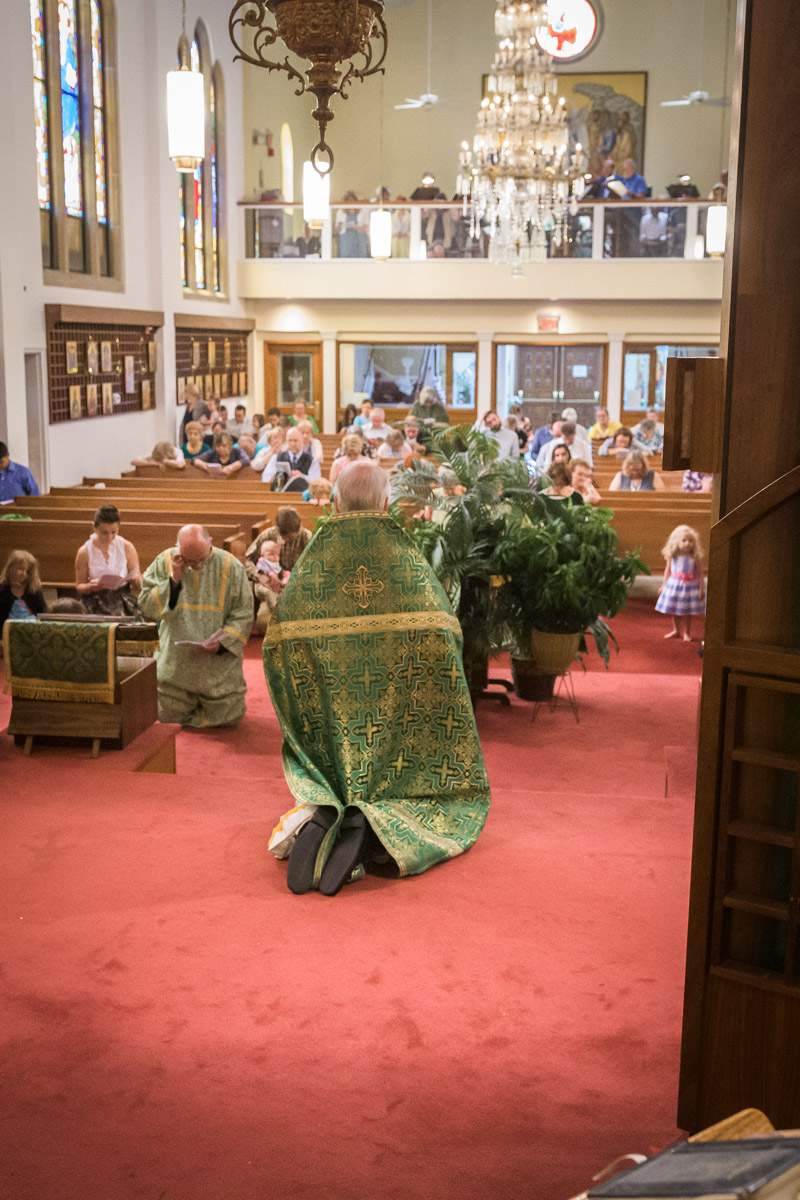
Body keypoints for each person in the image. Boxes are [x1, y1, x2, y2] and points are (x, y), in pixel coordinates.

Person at [263, 458, 491, 895]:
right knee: (404, 750)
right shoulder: (401, 553)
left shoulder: (318, 560)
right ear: (387, 501)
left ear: (334, 502)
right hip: (394, 706)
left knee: (333, 746)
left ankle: (330, 798)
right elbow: (444, 629)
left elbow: (278, 641)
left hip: (335, 706)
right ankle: (369, 813)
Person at [139, 524, 252, 727]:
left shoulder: (231, 566)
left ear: (210, 543)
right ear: (178, 549)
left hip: (217, 672)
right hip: (176, 668)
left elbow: (243, 613)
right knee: (163, 716)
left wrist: (223, 642)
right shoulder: (165, 561)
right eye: (191, 561)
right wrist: (174, 580)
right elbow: (146, 604)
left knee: (229, 716)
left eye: (202, 559)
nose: (198, 565)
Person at [75, 504, 142, 617]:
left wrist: (136, 580)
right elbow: (79, 586)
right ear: (94, 528)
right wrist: (90, 587)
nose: (109, 537)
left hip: (122, 599)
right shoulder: (84, 551)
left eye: (113, 532)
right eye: (104, 532)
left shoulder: (127, 547)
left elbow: (137, 584)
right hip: (95, 599)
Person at [656, 524, 705, 642]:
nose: (687, 543)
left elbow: (700, 573)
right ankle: (676, 630)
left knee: (687, 611)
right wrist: (664, 584)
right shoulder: (673, 556)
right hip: (675, 585)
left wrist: (701, 589)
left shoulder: (694, 557)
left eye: (690, 541)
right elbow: (668, 570)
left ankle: (686, 633)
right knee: (675, 609)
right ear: (676, 542)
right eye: (684, 540)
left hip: (689, 586)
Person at [0, 550, 46, 635]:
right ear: (11, 568)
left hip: (32, 634)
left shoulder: (35, 592)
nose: (24, 574)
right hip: (7, 635)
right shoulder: (2, 591)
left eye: (27, 571)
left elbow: (43, 616)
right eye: (21, 569)